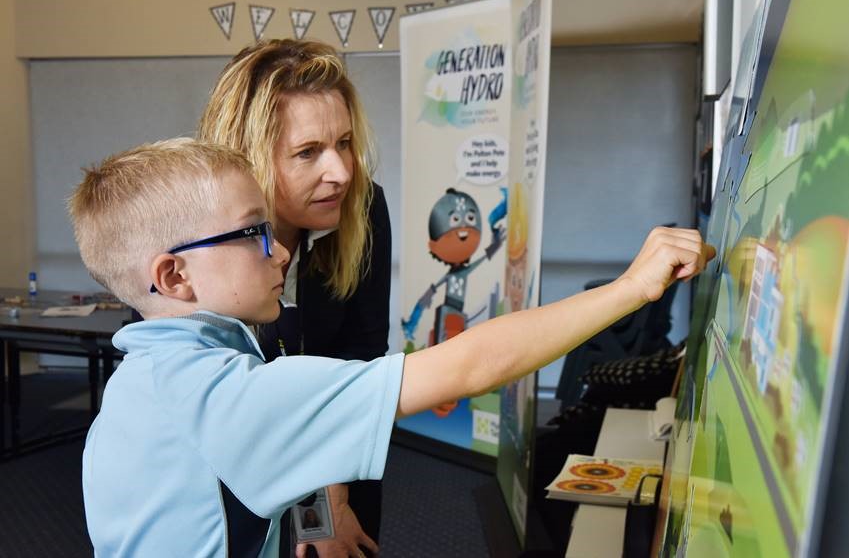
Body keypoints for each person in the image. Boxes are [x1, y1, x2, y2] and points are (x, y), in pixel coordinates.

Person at [70, 138, 714, 558]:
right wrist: (632, 288)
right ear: (174, 276)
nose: (283, 251)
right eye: (253, 234)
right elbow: (470, 365)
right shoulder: (225, 394)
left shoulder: (143, 378)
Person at [197, 39, 390, 558]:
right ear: (252, 156)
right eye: (308, 153)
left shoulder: (363, 207)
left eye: (345, 143)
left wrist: (330, 500)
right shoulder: (198, 236)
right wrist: (312, 510)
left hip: (338, 455)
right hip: (242, 474)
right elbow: (224, 417)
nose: (342, 173)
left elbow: (359, 364)